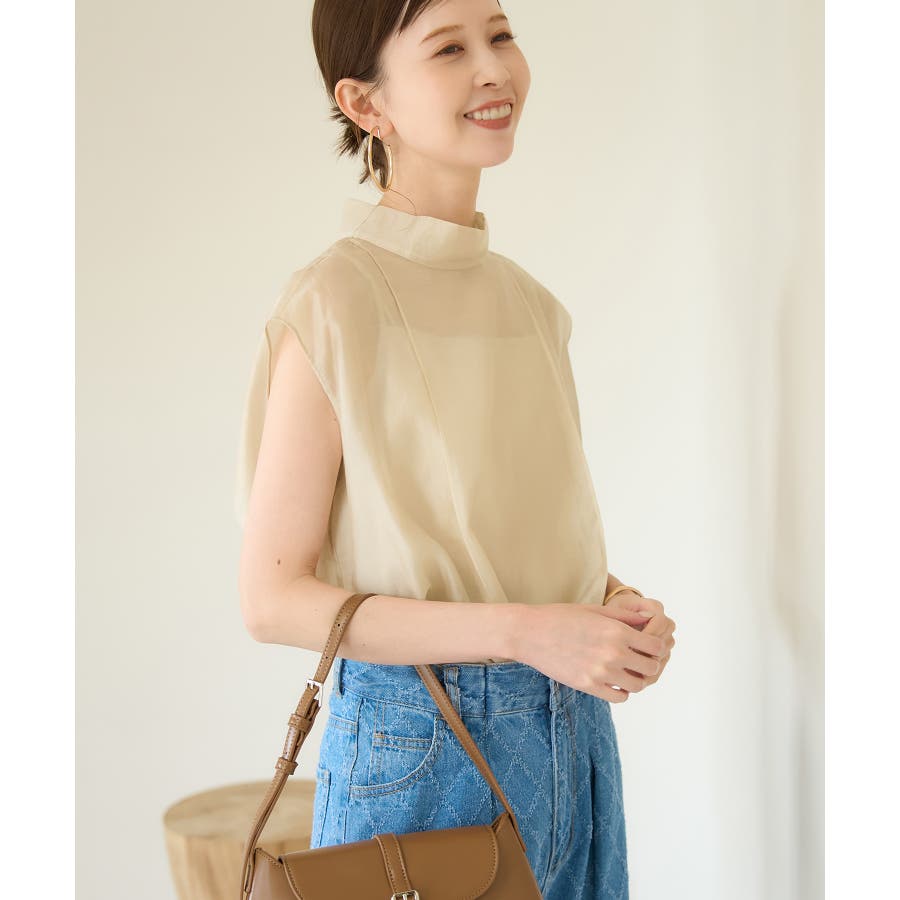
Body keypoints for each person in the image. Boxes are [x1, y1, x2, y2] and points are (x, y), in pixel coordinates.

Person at [235, 1, 676, 897]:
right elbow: (271, 600)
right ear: (366, 104)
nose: (493, 67)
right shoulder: (334, 302)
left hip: (578, 738)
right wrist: (528, 633)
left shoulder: (533, 307)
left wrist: (614, 609)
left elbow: (511, 537)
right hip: (422, 748)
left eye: (501, 35)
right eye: (448, 48)